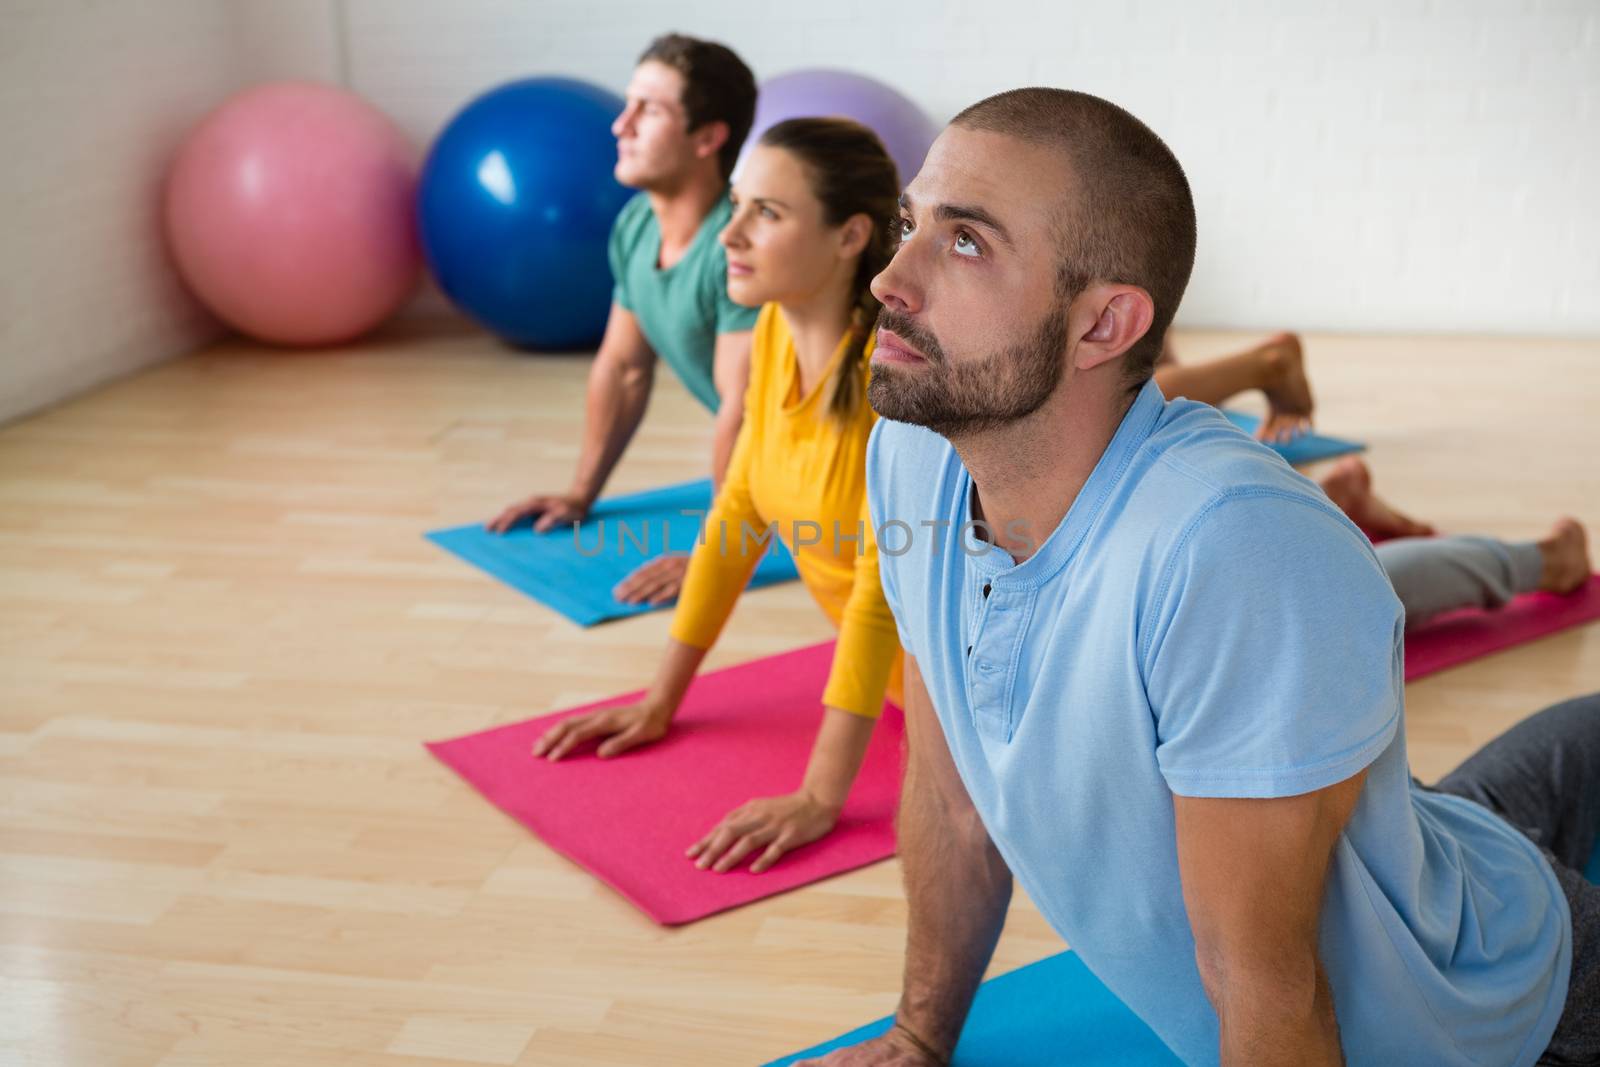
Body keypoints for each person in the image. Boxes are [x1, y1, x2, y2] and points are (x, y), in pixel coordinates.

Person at [803, 88, 1596, 1065]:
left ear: (1103, 326)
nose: (890, 277)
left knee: (1473, 865)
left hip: (1510, 1012)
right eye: (910, 223)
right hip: (1405, 854)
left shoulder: (1233, 550)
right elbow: (951, 800)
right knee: (1471, 815)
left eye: (964, 243)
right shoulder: (914, 449)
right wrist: (920, 1036)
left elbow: (1267, 989)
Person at [532, 119, 906, 876]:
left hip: (986, 701)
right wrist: (658, 701)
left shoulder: (896, 383)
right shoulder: (773, 331)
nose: (728, 234)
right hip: (899, 689)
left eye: (766, 212)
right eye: (735, 205)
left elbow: (879, 596)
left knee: (1128, 405)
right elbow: (736, 513)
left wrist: (819, 796)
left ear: (849, 236)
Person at [487, 34, 760, 607]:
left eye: (650, 110)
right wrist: (581, 494)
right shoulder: (637, 225)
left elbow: (748, 409)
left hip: (852, 462)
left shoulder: (741, 243)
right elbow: (624, 368)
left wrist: (718, 549)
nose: (621, 125)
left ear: (709, 137)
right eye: (628, 105)